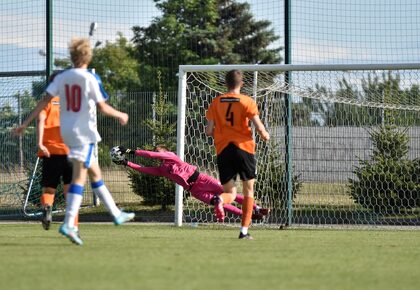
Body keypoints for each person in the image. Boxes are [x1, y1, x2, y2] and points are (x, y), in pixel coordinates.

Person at [13, 37, 135, 245]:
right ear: (88, 56)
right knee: (78, 179)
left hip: (67, 133)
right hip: (83, 134)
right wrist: (120, 114)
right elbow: (103, 107)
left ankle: (115, 213)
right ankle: (71, 223)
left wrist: (25, 123)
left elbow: (43, 102)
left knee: (95, 172)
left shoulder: (61, 77)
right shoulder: (89, 78)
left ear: (72, 57)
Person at [111, 145, 270, 221]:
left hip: (202, 179)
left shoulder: (172, 156)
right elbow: (144, 169)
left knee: (230, 195)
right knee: (216, 202)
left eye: (159, 150)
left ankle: (256, 208)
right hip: (195, 190)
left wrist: (130, 151)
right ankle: (248, 216)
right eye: (157, 150)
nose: (158, 152)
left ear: (165, 151)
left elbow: (150, 155)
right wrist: (127, 163)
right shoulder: (162, 169)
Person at [205, 69, 270, 240]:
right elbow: (258, 125)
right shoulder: (247, 101)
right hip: (244, 149)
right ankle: (243, 231)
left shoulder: (216, 102)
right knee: (248, 191)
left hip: (224, 149)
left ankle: (219, 200)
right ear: (241, 84)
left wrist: (221, 130)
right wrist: (265, 135)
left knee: (231, 193)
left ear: (225, 84)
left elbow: (208, 130)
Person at [36, 73, 78, 231]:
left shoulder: (45, 102)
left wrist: (40, 143)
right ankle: (72, 225)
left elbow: (40, 121)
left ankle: (47, 207)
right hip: (71, 151)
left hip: (51, 152)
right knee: (71, 189)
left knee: (49, 189)